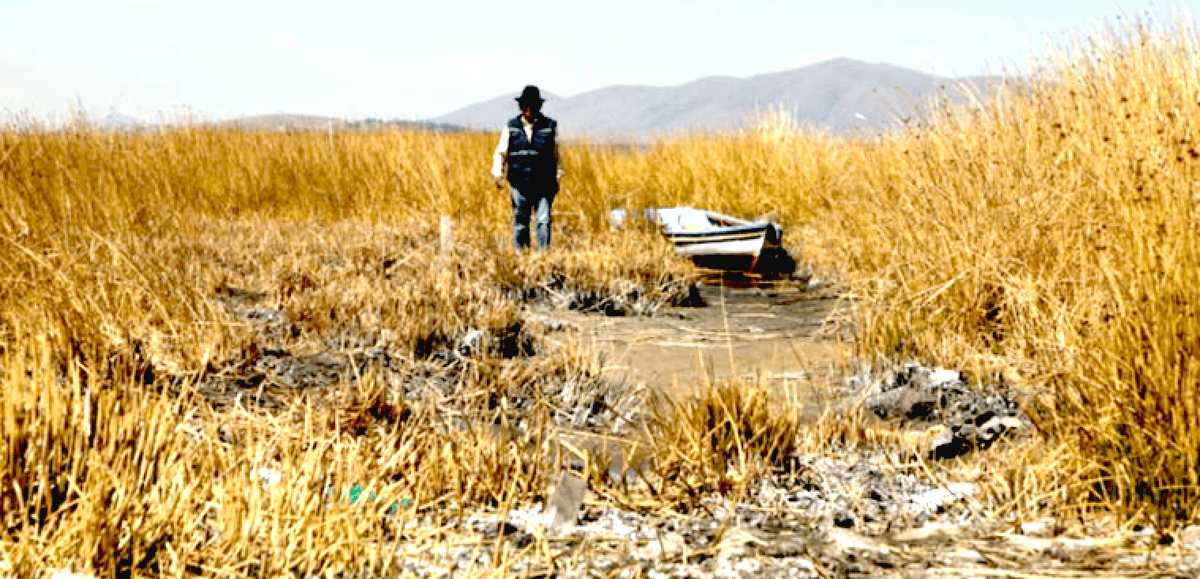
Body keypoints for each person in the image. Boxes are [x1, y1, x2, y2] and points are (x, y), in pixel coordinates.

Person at [492, 85, 561, 250]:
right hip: (519, 183)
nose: (529, 109)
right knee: (520, 221)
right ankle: (521, 258)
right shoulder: (511, 127)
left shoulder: (550, 127)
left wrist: (557, 178)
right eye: (526, 105)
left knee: (543, 221)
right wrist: (497, 174)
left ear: (539, 106)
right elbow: (500, 153)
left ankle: (543, 259)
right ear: (521, 106)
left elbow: (557, 156)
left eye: (534, 105)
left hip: (544, 184)